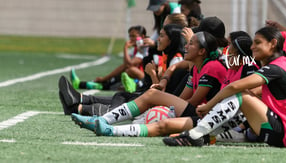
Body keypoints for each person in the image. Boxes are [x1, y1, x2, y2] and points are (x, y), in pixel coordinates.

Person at [163, 26, 286, 147]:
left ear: (273, 44)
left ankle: (196, 134)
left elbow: (235, 88)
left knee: (241, 94)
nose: (252, 47)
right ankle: (204, 134)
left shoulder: (257, 67)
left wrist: (209, 105)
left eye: (257, 43)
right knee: (243, 97)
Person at [85, 31, 258, 139]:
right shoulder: (204, 67)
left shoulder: (215, 66)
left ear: (202, 51)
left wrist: (157, 82)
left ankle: (107, 126)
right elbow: (183, 98)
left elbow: (194, 102)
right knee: (148, 101)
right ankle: (103, 124)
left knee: (160, 116)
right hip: (206, 114)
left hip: (207, 115)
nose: (186, 46)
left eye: (191, 43)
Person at [70, 25, 147, 91]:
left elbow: (129, 64)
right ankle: (81, 84)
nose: (131, 39)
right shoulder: (135, 49)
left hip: (145, 79)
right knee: (121, 76)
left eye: (133, 36)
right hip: (136, 77)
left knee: (129, 70)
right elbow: (126, 63)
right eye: (130, 36)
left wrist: (125, 47)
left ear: (142, 37)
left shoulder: (145, 48)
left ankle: (87, 83)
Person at [122, 24, 185, 93]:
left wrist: (152, 73)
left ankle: (138, 84)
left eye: (161, 36)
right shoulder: (166, 55)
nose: (157, 39)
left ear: (171, 40)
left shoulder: (177, 60)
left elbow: (162, 93)